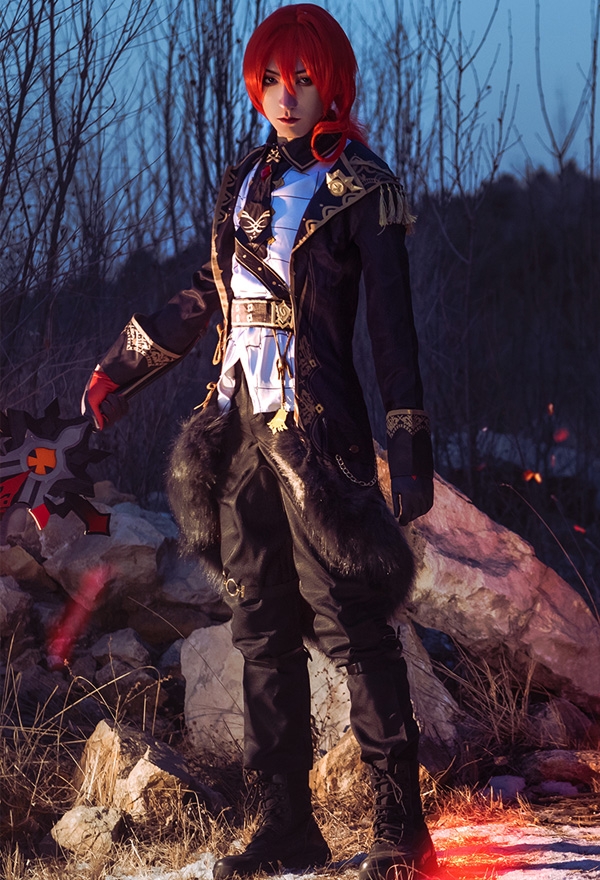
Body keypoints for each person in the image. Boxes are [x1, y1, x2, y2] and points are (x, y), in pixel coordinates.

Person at [82, 5, 437, 879]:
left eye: (303, 79)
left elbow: (393, 332)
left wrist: (409, 445)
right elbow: (206, 296)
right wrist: (120, 367)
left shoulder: (364, 187)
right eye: (272, 79)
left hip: (320, 437)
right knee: (259, 626)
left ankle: (403, 835)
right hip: (237, 431)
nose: (285, 95)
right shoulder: (243, 181)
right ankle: (287, 827)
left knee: (353, 624)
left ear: (331, 84)